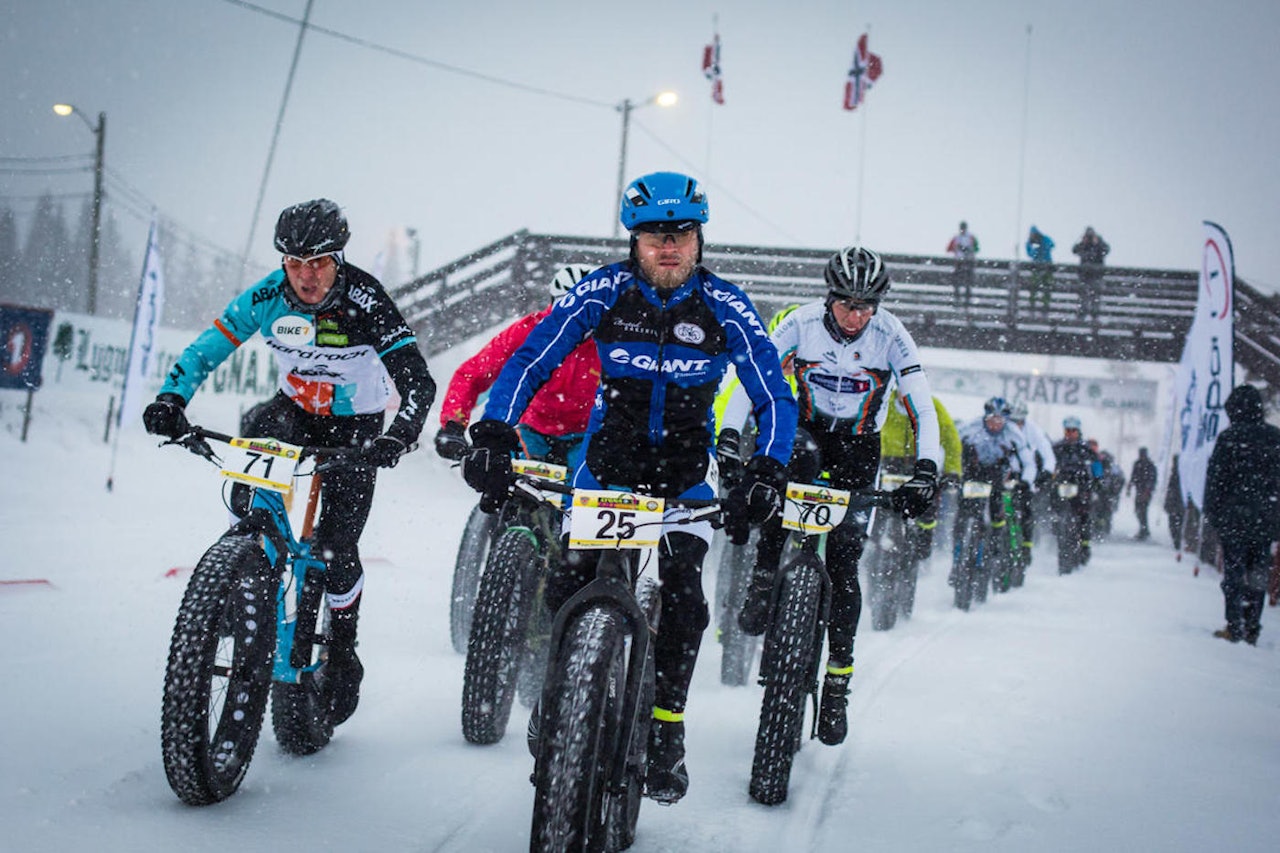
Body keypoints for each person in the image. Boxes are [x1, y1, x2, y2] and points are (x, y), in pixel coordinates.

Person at [460, 171, 797, 803]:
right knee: (567, 580)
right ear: (633, 241)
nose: (668, 247)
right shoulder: (605, 290)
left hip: (686, 473)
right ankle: (557, 696)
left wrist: (771, 467)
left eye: (681, 234)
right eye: (653, 237)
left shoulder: (726, 305)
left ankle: (667, 728)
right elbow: (533, 357)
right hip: (607, 462)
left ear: (699, 238)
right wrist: (497, 431)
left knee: (685, 598)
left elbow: (772, 392)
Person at [143, 199, 436, 725]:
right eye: (294, 263)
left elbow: (418, 380)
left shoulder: (367, 298)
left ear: (338, 260)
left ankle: (343, 646)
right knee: (246, 479)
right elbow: (208, 348)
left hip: (356, 425)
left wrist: (399, 436)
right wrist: (171, 398)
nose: (305, 275)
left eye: (318, 262)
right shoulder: (267, 296)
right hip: (292, 413)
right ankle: (244, 570)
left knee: (337, 544)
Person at [727, 246, 941, 748]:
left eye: (867, 305)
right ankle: (764, 576)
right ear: (829, 297)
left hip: (859, 446)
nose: (856, 315)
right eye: (847, 303)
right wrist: (730, 439)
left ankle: (838, 679)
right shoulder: (799, 326)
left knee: (845, 562)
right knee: (782, 476)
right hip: (803, 431)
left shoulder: (892, 337)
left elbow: (922, 408)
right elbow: (750, 378)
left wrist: (927, 471)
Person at [434, 263, 600, 475]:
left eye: (587, 311)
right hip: (532, 429)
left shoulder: (614, 340)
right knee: (503, 485)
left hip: (588, 434)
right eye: (567, 307)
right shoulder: (527, 331)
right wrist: (453, 424)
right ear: (553, 303)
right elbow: (473, 373)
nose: (577, 319)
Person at [1203, 384, 1280, 645]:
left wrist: (1213, 513)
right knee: (1258, 573)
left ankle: (1234, 625)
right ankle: (1252, 627)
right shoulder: (1275, 437)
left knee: (1234, 573)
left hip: (1234, 520)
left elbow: (1216, 480)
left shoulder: (1230, 438)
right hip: (1267, 521)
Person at [880, 388, 962, 563]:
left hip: (918, 464)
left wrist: (952, 470)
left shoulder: (932, 406)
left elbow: (951, 439)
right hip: (889, 462)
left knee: (927, 501)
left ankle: (925, 537)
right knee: (879, 502)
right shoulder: (884, 402)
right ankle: (873, 539)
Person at [1009, 398, 1057, 561]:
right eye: (1012, 421)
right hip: (1004, 474)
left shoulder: (1034, 431)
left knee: (1025, 509)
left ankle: (1026, 545)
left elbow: (1048, 455)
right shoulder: (1003, 429)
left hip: (1027, 476)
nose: (1016, 425)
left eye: (1019, 421)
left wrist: (1046, 472)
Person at [1052, 415, 1098, 565]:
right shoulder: (1057, 448)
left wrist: (1098, 480)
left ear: (1078, 431)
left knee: (1084, 515)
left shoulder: (1085, 449)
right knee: (1057, 512)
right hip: (1062, 486)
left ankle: (1084, 544)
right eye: (1068, 430)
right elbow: (1049, 463)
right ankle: (1059, 537)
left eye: (1073, 430)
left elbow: (1096, 466)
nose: (1070, 433)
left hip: (1081, 487)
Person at [1072, 226, 1110, 323]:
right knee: (1083, 296)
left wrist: (1098, 243)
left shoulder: (1099, 244)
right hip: (1085, 276)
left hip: (1096, 275)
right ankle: (1082, 315)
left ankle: (1094, 316)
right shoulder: (1083, 245)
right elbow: (1074, 250)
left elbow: (1106, 250)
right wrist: (1082, 242)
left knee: (1095, 297)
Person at [1127, 447, 1158, 540]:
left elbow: (1152, 479)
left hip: (1146, 491)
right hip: (1139, 490)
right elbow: (1133, 476)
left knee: (1143, 511)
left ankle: (1144, 530)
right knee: (1138, 510)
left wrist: (1148, 490)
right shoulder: (1138, 463)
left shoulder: (1150, 465)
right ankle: (1144, 529)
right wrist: (1130, 486)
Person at [947, 221, 980, 309]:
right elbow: (949, 248)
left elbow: (976, 248)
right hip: (960, 262)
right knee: (958, 281)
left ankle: (966, 300)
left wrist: (967, 250)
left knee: (966, 282)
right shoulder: (957, 238)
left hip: (967, 261)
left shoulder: (970, 237)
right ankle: (958, 298)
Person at [1024, 226, 1055, 316]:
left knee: (1046, 287)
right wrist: (1031, 245)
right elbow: (1031, 254)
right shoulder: (1030, 243)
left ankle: (1045, 305)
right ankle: (1032, 305)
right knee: (1034, 287)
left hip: (1047, 267)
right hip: (1036, 268)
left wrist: (1040, 245)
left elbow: (1051, 245)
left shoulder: (1045, 239)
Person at [1164, 455, 1185, 550]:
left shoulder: (1181, 473)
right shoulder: (1176, 472)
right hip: (1175, 502)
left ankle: (1177, 540)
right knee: (1175, 523)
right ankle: (1177, 539)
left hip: (1177, 502)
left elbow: (1171, 489)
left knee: (1175, 523)